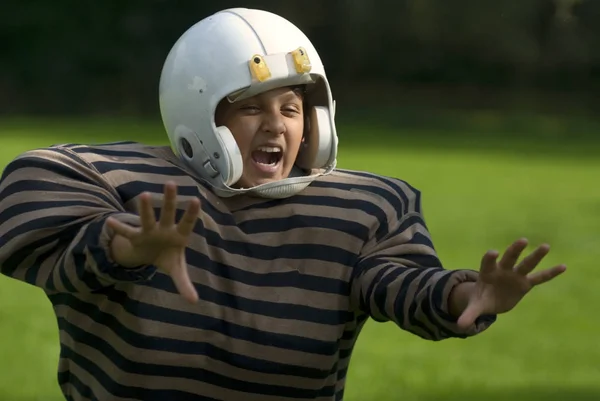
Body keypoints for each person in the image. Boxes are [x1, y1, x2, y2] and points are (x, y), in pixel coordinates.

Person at [0, 7, 566, 401]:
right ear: (199, 117)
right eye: (250, 107)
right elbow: (46, 248)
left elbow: (398, 284)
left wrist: (467, 293)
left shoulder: (363, 206)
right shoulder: (108, 180)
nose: (276, 125)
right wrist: (128, 244)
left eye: (292, 108)